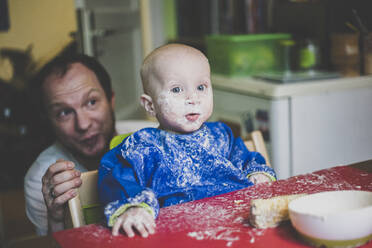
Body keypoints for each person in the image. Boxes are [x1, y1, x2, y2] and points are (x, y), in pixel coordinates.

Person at [98, 44, 277, 238]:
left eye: (201, 87)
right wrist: (132, 206)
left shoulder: (222, 135)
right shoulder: (144, 146)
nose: (193, 98)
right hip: (177, 233)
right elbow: (116, 176)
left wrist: (257, 173)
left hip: (239, 224)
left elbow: (246, 158)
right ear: (150, 106)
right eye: (176, 89)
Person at [24, 54, 117, 235]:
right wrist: (57, 218)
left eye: (91, 102)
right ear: (49, 121)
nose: (83, 124)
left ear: (111, 100)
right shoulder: (43, 180)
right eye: (64, 112)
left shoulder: (153, 141)